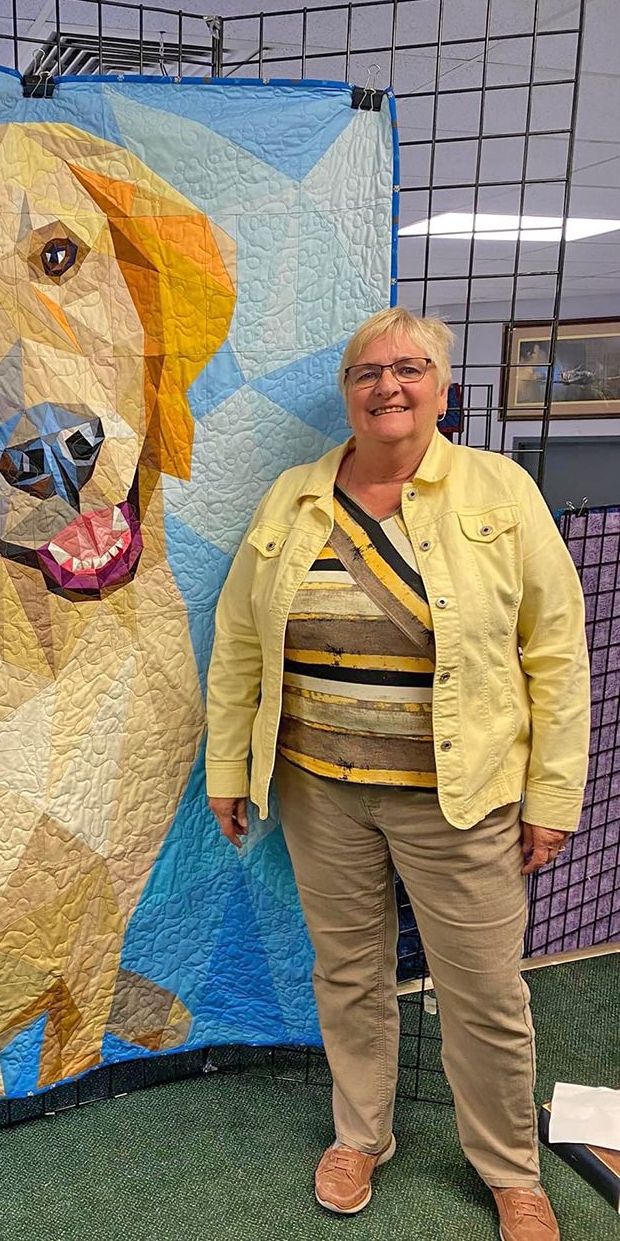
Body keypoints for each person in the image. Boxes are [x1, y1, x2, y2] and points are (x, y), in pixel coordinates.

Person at [206, 307, 590, 1241]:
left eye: (411, 369)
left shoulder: (499, 492)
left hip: (458, 801)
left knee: (486, 995)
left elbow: (558, 650)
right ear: (348, 393)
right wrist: (228, 766)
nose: (389, 386)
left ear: (443, 388)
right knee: (347, 975)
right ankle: (359, 1135)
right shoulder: (293, 498)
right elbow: (240, 643)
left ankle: (509, 1172)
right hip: (317, 787)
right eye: (369, 372)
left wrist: (552, 794)